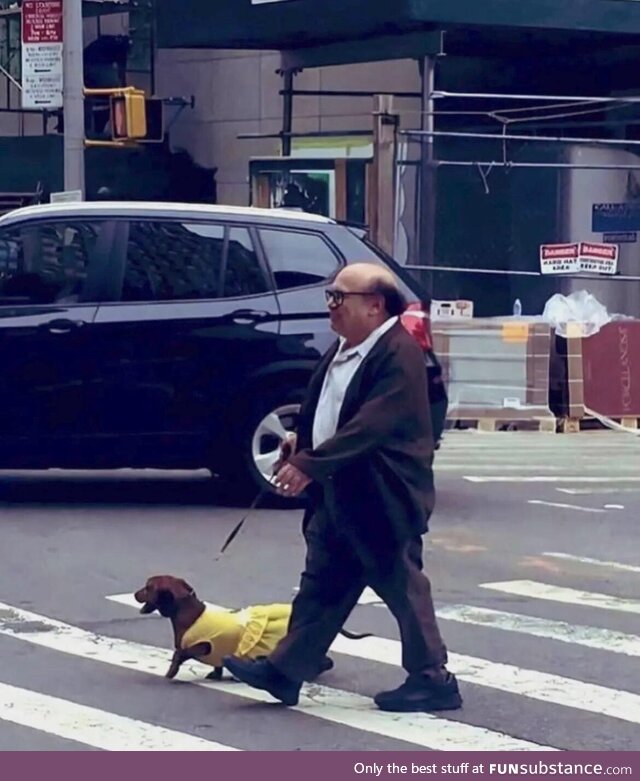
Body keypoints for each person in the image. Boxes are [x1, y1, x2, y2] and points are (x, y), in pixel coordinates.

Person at [223, 263, 461, 713]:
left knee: (401, 585)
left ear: (375, 306)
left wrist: (312, 463)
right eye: (329, 295)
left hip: (382, 495)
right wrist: (301, 441)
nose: (330, 306)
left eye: (339, 297)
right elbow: (327, 407)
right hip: (342, 490)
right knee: (323, 583)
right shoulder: (345, 347)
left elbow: (371, 425)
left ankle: (434, 678)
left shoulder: (399, 354)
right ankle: (287, 669)